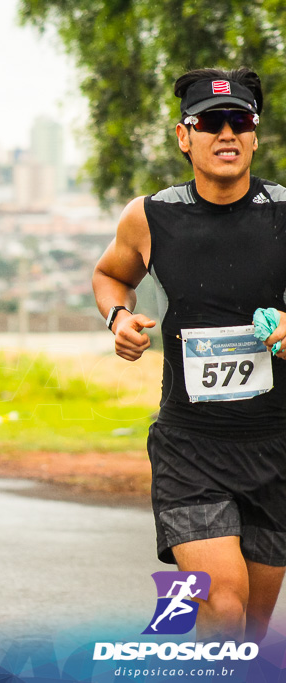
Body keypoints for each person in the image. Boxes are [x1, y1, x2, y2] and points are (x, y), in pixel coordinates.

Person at [93, 66, 286, 643]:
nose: (226, 134)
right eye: (211, 122)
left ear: (255, 136)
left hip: (276, 443)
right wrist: (119, 317)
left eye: (240, 121)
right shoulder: (150, 215)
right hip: (190, 447)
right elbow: (109, 275)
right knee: (222, 605)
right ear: (186, 136)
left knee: (249, 628)